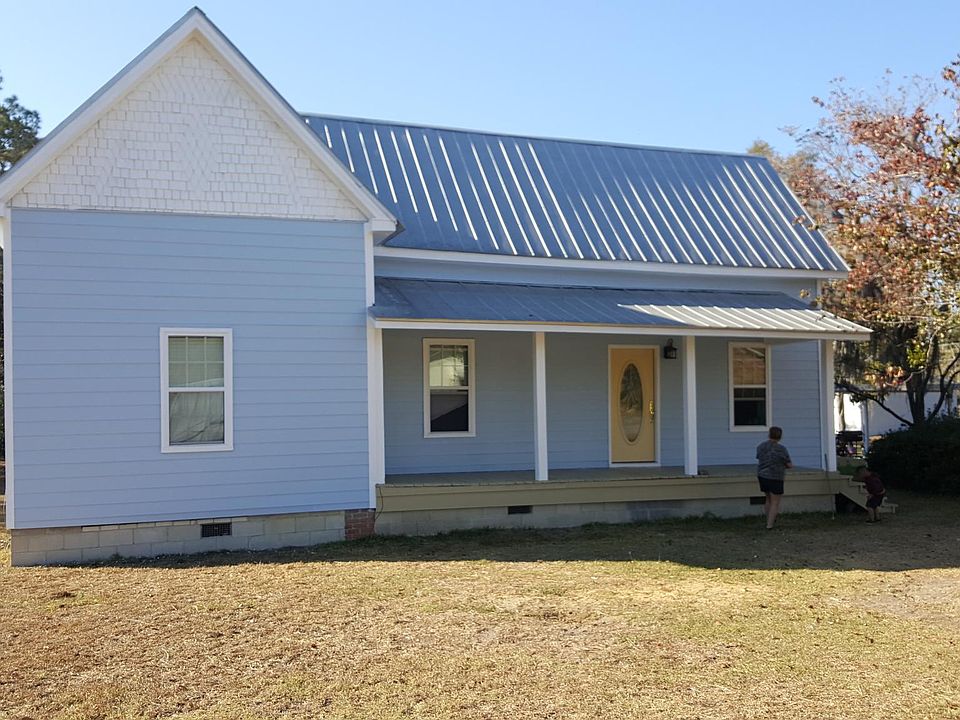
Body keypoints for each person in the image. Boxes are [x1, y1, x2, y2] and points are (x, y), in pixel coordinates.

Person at [756, 426, 793, 529]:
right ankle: (770, 525)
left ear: (769, 434)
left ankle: (768, 519)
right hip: (776, 477)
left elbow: (759, 458)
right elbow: (789, 465)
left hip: (762, 476)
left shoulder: (761, 446)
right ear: (780, 437)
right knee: (775, 502)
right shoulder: (781, 449)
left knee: (768, 499)